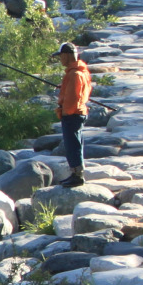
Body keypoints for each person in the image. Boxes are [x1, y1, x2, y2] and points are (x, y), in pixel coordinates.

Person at [56, 44, 90, 187]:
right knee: (75, 145)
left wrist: (64, 112)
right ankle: (75, 173)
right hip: (78, 113)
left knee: (73, 146)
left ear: (67, 55)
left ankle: (77, 176)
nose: (60, 60)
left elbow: (72, 98)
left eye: (61, 56)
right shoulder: (80, 71)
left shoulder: (75, 74)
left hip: (73, 115)